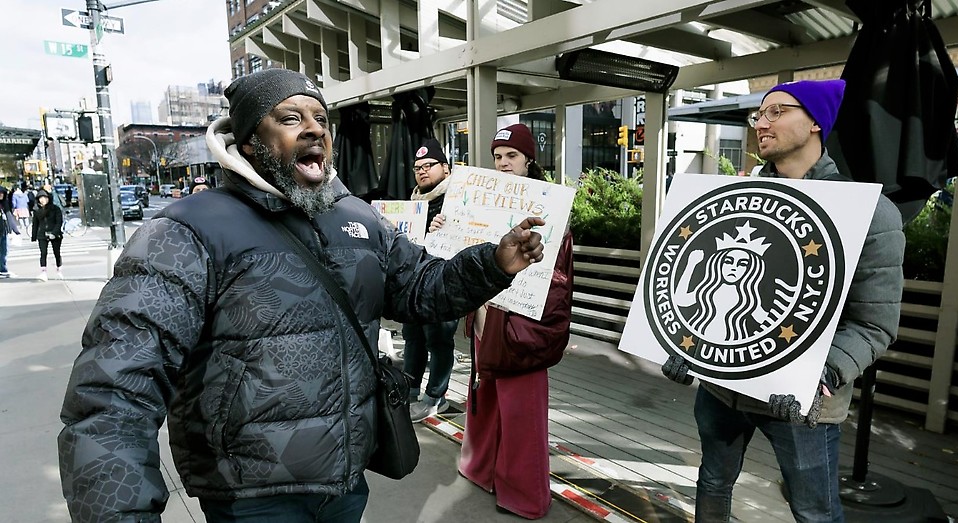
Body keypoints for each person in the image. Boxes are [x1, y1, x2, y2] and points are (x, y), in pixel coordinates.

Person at [57, 68, 546, 523]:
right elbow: (114, 393)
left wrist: (492, 264)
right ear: (250, 142)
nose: (314, 129)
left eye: (320, 118)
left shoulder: (358, 217)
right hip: (251, 497)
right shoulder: (186, 231)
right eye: (291, 118)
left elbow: (420, 287)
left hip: (345, 483)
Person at [661, 79, 905, 522]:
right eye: (759, 114)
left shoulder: (868, 212)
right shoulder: (736, 198)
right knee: (712, 482)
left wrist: (822, 374)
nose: (761, 123)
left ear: (815, 122)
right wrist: (683, 345)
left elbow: (875, 324)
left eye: (777, 112)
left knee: (814, 512)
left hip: (801, 403)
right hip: (722, 388)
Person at [455, 123, 574, 519]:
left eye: (511, 156)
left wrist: (528, 328)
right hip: (486, 313)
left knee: (521, 410)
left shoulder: (552, 210)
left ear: (528, 160)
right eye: (498, 156)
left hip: (521, 323)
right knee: (485, 397)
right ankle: (480, 468)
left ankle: (525, 493)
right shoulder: (481, 203)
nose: (503, 164)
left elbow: (555, 280)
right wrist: (444, 231)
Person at [403, 137, 460, 421]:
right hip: (414, 283)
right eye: (417, 168)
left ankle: (436, 397)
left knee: (438, 340)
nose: (422, 171)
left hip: (444, 284)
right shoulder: (413, 203)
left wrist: (446, 229)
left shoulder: (458, 200)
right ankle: (409, 391)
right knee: (412, 337)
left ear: (445, 169)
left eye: (429, 165)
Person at [30, 190, 64, 281]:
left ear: (48, 198)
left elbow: (59, 222)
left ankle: (59, 269)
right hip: (42, 234)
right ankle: (43, 272)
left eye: (45, 198)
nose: (42, 200)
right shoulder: (37, 210)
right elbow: (35, 224)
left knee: (56, 252)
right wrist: (34, 236)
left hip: (55, 233)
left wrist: (54, 233)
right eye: (40, 198)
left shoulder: (55, 209)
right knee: (43, 253)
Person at [0, 186, 20, 278]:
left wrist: (15, 229)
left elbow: (9, 216)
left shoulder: (5, 204)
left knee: (4, 251)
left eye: (2, 193)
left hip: (4, 230)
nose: (1, 195)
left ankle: (2, 268)